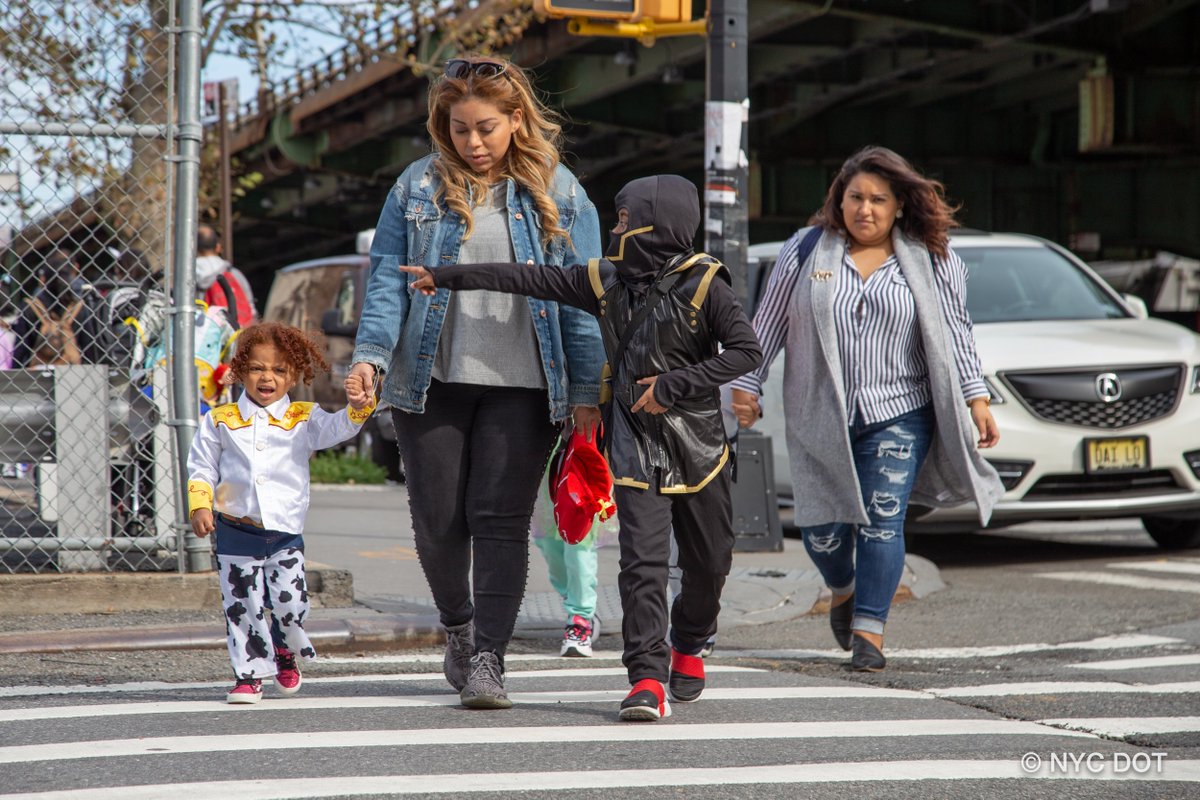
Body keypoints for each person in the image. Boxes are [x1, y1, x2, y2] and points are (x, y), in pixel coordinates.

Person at [399, 173, 763, 722]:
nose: (615, 228)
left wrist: (672, 385)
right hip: (635, 443)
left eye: (623, 217)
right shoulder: (602, 281)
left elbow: (744, 352)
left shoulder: (708, 284)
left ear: (656, 223)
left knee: (710, 564)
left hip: (700, 448)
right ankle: (646, 678)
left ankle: (690, 640)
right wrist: (444, 275)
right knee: (642, 563)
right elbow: (526, 277)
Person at [346, 55, 605, 710]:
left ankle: (490, 657)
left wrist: (584, 393)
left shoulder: (561, 191)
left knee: (499, 519)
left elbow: (583, 298)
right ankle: (458, 628)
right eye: (460, 129)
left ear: (517, 120)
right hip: (431, 378)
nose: (474, 143)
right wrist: (369, 358)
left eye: (487, 127)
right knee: (437, 519)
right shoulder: (415, 188)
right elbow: (387, 280)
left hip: (524, 384)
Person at [729, 145, 1003, 672]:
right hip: (818, 413)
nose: (866, 209)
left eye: (879, 199)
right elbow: (765, 324)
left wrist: (977, 397)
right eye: (856, 197)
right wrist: (747, 383)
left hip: (900, 410)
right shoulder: (805, 249)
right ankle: (843, 586)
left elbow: (955, 333)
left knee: (883, 519)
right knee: (822, 530)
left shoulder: (932, 258)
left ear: (900, 204)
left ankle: (870, 632)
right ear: (840, 198)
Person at [187, 322, 375, 704]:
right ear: (240, 371)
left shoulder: (304, 418)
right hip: (236, 531)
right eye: (257, 368)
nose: (267, 377)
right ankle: (249, 675)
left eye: (278, 370)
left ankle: (284, 647)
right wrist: (200, 504)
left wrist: (359, 408)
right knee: (243, 606)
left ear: (294, 376)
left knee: (289, 604)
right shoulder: (220, 420)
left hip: (285, 534)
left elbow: (338, 429)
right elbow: (202, 466)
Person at [530, 428, 618, 658]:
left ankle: (580, 619)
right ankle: (574, 600)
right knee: (548, 542)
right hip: (544, 443)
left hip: (586, 437)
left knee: (579, 542)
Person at [12, 251, 103, 367]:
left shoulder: (31, 307)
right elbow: (90, 350)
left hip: (38, 375)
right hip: (72, 375)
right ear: (71, 276)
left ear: (44, 279)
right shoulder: (79, 307)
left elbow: (20, 352)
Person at [196, 224, 257, 329]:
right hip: (237, 331)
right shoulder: (234, 274)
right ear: (218, 247)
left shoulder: (187, 276)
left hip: (205, 333)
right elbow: (251, 308)